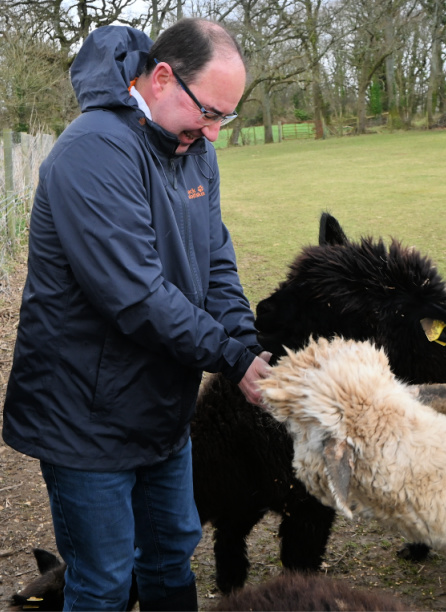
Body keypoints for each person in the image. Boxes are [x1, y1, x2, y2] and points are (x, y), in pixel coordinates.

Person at [2, 18, 270, 611]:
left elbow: (215, 261)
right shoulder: (92, 151)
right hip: (84, 416)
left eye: (226, 117)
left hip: (159, 407)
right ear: (163, 78)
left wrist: (247, 343)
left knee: (173, 552)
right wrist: (231, 360)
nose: (215, 132)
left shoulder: (194, 149)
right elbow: (136, 296)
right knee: (102, 578)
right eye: (210, 112)